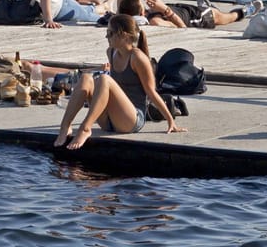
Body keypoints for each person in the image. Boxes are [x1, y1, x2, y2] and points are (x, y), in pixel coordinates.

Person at [54, 16, 184, 148]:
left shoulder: (138, 58)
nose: (106, 37)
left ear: (125, 37)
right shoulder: (111, 52)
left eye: (110, 33)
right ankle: (65, 127)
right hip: (109, 119)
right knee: (86, 78)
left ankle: (86, 128)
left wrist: (170, 120)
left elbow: (151, 92)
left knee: (105, 79)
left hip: (131, 119)